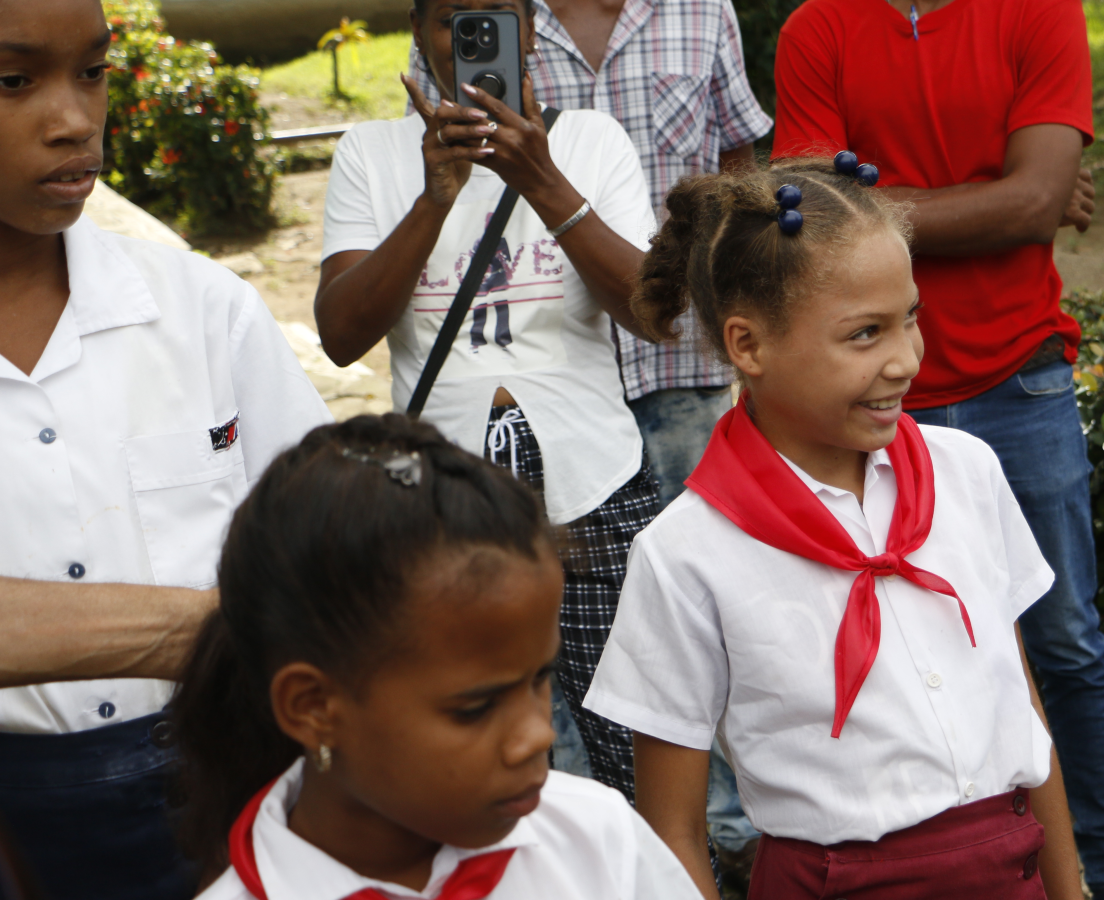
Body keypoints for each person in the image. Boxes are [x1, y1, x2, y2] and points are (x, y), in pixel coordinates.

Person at [584, 157, 1084, 900]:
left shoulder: (966, 474)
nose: (905, 360)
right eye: (864, 335)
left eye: (911, 317)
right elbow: (674, 829)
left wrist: (1069, 891)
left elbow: (1022, 705)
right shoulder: (686, 552)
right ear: (748, 346)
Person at [770, 5, 1104, 900]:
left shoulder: (1039, 11)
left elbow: (1032, 200)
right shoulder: (817, 26)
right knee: (891, 652)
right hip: (871, 400)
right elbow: (807, 223)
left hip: (1019, 378)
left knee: (1065, 645)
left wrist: (875, 207)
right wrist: (1006, 202)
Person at [404, 0, 773, 867]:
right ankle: (561, 858)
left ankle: (711, 847)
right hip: (554, 391)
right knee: (538, 660)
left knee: (686, 642)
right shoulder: (489, 16)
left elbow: (739, 170)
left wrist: (745, 317)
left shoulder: (700, 10)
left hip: (678, 376)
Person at [0, 0, 332, 896]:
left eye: (94, 71)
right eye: (13, 80)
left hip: (221, 785)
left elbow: (335, 537)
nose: (74, 119)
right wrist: (218, 630)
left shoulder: (200, 308)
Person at [315, 0, 660, 801]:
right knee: (481, 756)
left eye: (496, 17)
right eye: (451, 20)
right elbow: (339, 334)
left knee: (637, 751)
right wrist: (436, 195)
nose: (470, 40)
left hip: (594, 490)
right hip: (443, 513)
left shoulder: (589, 142)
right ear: (420, 32)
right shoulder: (370, 154)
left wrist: (540, 178)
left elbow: (648, 309)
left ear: (531, 29)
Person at [169, 414, 703, 900]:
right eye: (474, 708)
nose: (538, 736)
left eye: (539, 678)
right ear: (313, 707)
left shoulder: (597, 841)